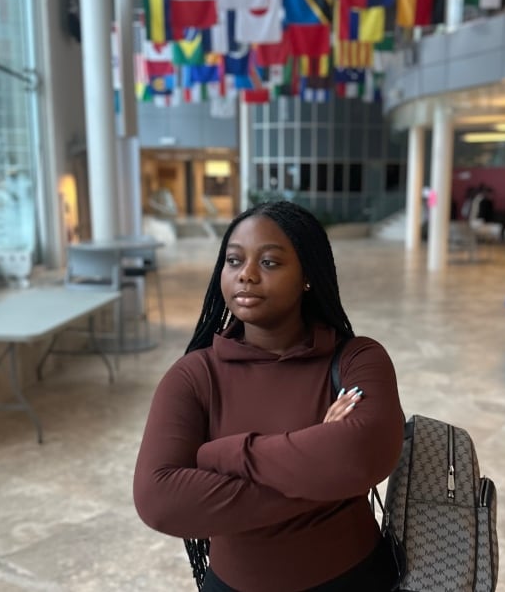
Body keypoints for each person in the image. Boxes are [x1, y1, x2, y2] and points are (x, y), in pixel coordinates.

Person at [133, 201, 405, 592]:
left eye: (270, 263)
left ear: (307, 276)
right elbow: (158, 500)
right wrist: (325, 476)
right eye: (233, 261)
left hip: (356, 580)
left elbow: (364, 453)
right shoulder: (194, 376)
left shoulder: (357, 359)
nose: (246, 275)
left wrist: (219, 455)